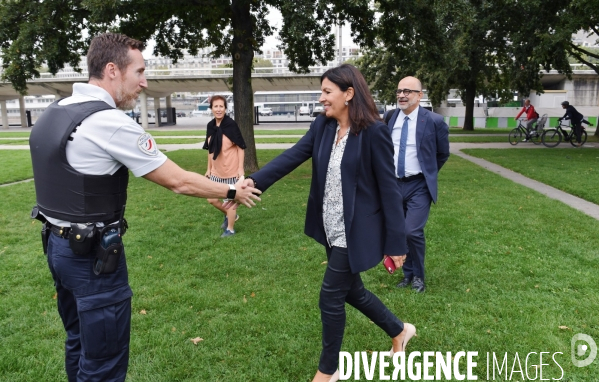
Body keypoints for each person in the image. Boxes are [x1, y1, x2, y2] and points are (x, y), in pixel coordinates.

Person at [28, 33, 261, 382]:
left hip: (57, 248)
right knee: (103, 363)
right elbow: (178, 181)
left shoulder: (56, 112)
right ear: (112, 70)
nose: (144, 82)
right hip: (92, 261)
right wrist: (231, 188)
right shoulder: (108, 122)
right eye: (138, 71)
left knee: (78, 343)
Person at [243, 64, 416, 382]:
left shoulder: (373, 131)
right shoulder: (322, 126)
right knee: (352, 292)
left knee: (330, 296)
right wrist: (252, 183)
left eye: (327, 92)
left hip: (357, 230)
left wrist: (396, 242)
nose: (321, 99)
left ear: (349, 94)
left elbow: (390, 190)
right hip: (330, 226)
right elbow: (292, 155)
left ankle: (328, 371)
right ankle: (399, 330)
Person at [386, 76, 450, 293]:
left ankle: (419, 276)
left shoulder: (434, 121)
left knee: (412, 231)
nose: (402, 95)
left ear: (420, 95)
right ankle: (407, 274)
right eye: (399, 91)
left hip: (419, 185)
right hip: (393, 185)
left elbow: (442, 154)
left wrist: (428, 173)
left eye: (407, 91)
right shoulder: (390, 117)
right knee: (399, 231)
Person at [203, 95, 246, 237]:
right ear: (212, 109)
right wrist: (208, 169)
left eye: (221, 106)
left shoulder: (231, 125)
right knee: (211, 199)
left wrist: (240, 169)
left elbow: (240, 147)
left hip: (231, 172)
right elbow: (210, 149)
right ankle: (230, 215)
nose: (219, 109)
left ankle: (231, 229)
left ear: (225, 109)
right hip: (216, 172)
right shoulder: (210, 126)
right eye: (216, 106)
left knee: (230, 201)